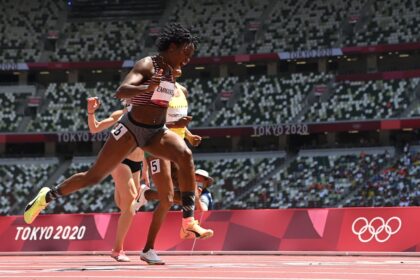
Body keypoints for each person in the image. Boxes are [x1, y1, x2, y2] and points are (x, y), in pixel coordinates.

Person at [23, 23, 213, 241]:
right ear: (172, 47)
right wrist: (147, 88)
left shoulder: (173, 71)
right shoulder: (147, 65)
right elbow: (121, 92)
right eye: (185, 53)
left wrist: (183, 127)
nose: (188, 60)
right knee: (93, 177)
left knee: (185, 156)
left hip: (156, 132)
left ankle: (189, 222)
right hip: (131, 130)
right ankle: (47, 196)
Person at [136, 71, 204, 264]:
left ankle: (148, 195)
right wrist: (175, 124)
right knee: (166, 200)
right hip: (157, 146)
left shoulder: (182, 90)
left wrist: (189, 135)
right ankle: (148, 250)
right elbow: (150, 123)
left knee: (190, 197)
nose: (180, 67)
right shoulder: (158, 90)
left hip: (178, 147)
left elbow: (179, 118)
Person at [87, 97, 149, 262]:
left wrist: (145, 170)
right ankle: (117, 250)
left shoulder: (147, 118)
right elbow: (95, 128)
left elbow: (145, 147)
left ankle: (136, 193)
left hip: (137, 164)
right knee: (129, 202)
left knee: (125, 207)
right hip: (119, 161)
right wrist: (91, 112)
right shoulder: (120, 115)